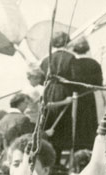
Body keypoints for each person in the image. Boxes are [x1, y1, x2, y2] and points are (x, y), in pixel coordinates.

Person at [36, 31, 76, 161]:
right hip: (64, 92)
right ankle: (57, 159)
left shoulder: (46, 59)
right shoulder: (70, 58)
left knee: (48, 122)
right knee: (63, 125)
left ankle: (49, 158)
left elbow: (42, 79)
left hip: (48, 92)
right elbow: (74, 79)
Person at [68, 37, 103, 151]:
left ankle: (77, 150)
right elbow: (99, 83)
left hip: (75, 97)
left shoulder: (72, 63)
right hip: (90, 97)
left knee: (76, 125)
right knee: (90, 124)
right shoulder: (95, 63)